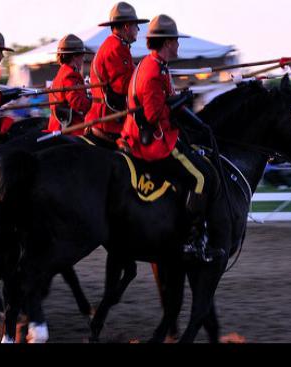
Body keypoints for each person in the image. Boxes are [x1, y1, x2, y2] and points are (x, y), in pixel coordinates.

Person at [118, 15, 213, 263]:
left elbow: (162, 101)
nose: (178, 45)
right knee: (201, 177)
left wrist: (179, 98)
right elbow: (153, 115)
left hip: (152, 133)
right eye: (176, 41)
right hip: (152, 142)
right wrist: (181, 101)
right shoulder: (152, 71)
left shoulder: (154, 64)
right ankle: (193, 240)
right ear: (167, 42)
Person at [84, 2, 148, 146]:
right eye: (135, 25)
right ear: (126, 26)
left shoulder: (117, 45)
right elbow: (124, 87)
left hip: (108, 117)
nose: (138, 29)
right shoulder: (116, 48)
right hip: (109, 121)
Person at [45, 34, 93, 135]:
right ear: (74, 57)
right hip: (71, 130)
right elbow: (78, 103)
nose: (83, 60)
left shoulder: (62, 72)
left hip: (58, 126)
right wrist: (95, 102)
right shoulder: (70, 75)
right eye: (81, 56)